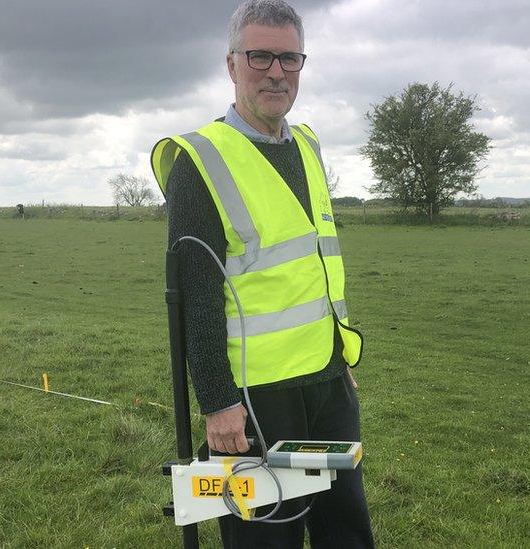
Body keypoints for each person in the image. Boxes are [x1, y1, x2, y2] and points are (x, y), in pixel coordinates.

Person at [150, 1, 374, 547]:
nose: (276, 72)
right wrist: (218, 403)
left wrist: (339, 358)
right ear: (232, 65)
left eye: (289, 58)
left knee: (346, 530)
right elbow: (196, 298)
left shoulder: (308, 146)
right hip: (253, 399)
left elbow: (316, 270)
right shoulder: (199, 159)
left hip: (326, 380)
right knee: (264, 540)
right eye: (260, 57)